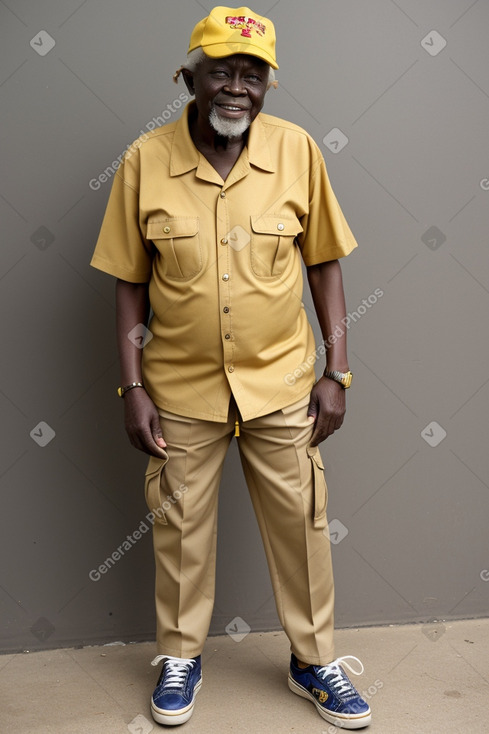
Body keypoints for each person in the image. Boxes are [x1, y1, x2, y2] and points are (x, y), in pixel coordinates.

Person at [91, 5, 372, 729]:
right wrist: (132, 387)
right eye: (222, 70)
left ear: (268, 85)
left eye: (253, 74)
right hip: (179, 390)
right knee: (178, 529)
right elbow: (127, 281)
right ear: (189, 75)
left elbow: (324, 267)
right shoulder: (143, 160)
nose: (237, 87)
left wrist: (336, 372)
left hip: (281, 384)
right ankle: (180, 655)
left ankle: (313, 660)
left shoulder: (299, 151)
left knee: (302, 527)